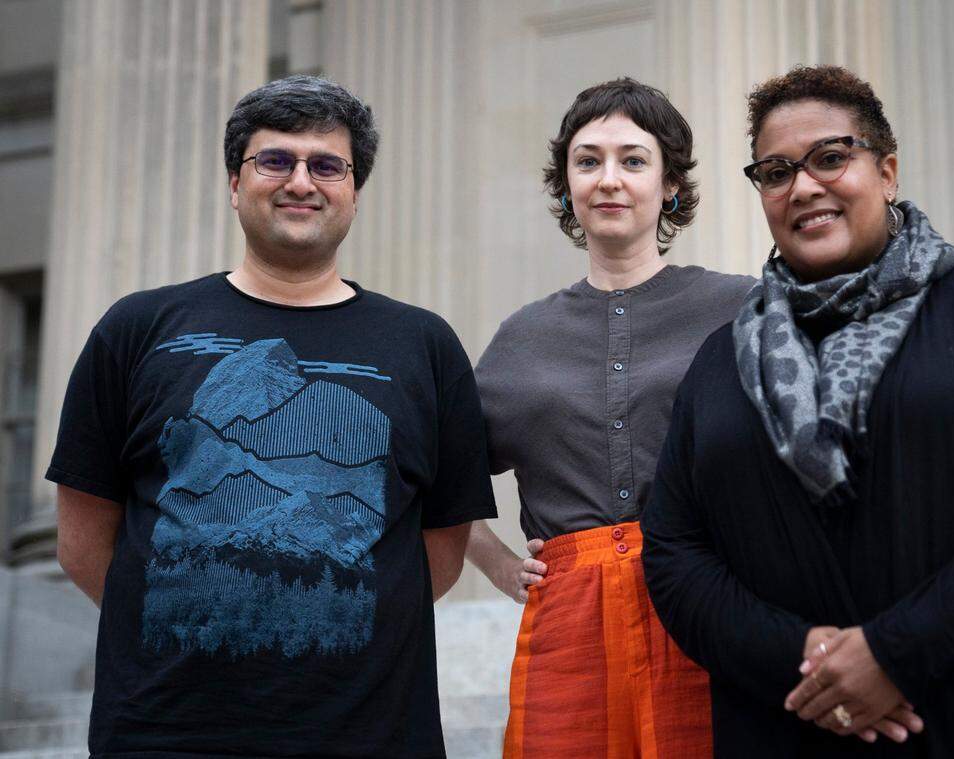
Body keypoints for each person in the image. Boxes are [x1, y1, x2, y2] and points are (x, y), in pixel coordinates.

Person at [642, 64, 954, 758]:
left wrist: (894, 652)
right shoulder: (719, 361)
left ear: (888, 172)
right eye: (776, 172)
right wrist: (803, 657)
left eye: (831, 157)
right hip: (794, 720)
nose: (803, 187)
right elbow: (674, 551)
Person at [49, 75, 496, 757]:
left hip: (372, 735)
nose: (301, 182)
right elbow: (83, 543)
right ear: (236, 183)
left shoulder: (425, 345)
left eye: (327, 165)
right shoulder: (136, 329)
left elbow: (440, 546)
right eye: (275, 160)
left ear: (354, 191)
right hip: (163, 733)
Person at [467, 77, 755, 757]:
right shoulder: (522, 337)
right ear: (567, 186)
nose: (609, 179)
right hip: (567, 620)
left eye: (633, 159)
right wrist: (498, 564)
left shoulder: (741, 308)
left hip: (707, 594)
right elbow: (442, 476)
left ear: (670, 183)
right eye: (588, 161)